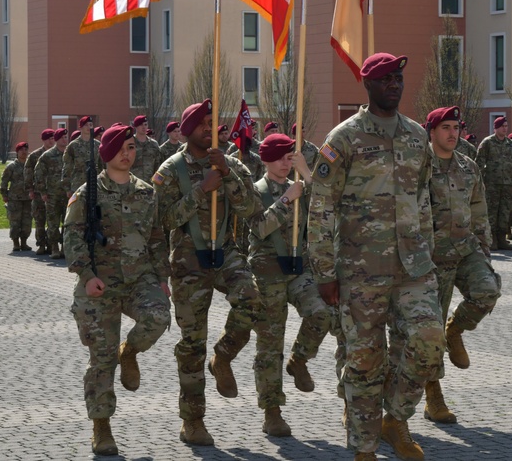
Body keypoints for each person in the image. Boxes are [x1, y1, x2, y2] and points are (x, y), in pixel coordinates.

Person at [307, 52, 443, 461]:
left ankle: (395, 418)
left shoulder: (418, 135)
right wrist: (324, 272)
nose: (394, 85)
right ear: (367, 85)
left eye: (398, 78)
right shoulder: (343, 139)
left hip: (413, 267)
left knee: (428, 339)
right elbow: (320, 209)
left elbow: (423, 198)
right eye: (385, 79)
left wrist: (427, 251)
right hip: (360, 271)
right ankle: (364, 448)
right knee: (365, 362)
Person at [153, 99, 261, 447]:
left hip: (225, 252)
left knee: (251, 298)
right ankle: (193, 420)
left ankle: (224, 356)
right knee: (191, 344)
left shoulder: (228, 163)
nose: (209, 128)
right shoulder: (170, 170)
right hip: (188, 261)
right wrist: (202, 190)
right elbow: (163, 220)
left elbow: (251, 209)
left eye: (212, 122)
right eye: (203, 122)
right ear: (188, 130)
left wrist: (227, 177)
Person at [65, 123, 172, 457]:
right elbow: (71, 236)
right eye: (123, 148)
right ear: (108, 154)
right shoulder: (87, 194)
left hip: (139, 278)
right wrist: (86, 275)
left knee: (158, 317)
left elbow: (156, 237)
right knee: (101, 358)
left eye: (132, 147)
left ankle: (132, 351)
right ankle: (102, 427)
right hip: (101, 284)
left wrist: (163, 277)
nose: (129, 153)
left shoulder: (146, 192)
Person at [246, 133, 333, 437]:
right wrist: (285, 200)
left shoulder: (301, 186)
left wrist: (307, 172)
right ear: (266, 160)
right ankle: (272, 411)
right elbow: (258, 228)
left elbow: (326, 202)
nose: (285, 163)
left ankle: (299, 360)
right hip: (268, 271)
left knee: (322, 313)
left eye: (289, 157)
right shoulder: (256, 191)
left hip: (299, 269)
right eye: (281, 158)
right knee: (270, 344)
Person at [423, 106, 501, 425]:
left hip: (466, 248)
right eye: (446, 128)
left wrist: (484, 247)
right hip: (432, 257)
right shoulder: (419, 168)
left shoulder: (468, 166)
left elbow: (479, 208)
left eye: (456, 127)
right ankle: (433, 395)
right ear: (432, 132)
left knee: (488, 291)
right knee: (429, 330)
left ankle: (454, 331)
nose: (453, 133)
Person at [476, 116, 512, 251]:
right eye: (502, 126)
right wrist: (481, 182)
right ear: (496, 128)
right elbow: (479, 164)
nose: (505, 129)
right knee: (492, 212)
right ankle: (492, 239)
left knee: (505, 212)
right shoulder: (487, 142)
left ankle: (502, 238)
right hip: (492, 184)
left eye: (506, 126)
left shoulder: (511, 144)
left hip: (507, 184)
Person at [35, 128, 69, 258]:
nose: (65, 140)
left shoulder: (70, 154)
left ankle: (65, 247)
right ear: (57, 139)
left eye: (66, 137)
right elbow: (39, 173)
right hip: (52, 195)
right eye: (62, 137)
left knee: (67, 222)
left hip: (68, 195)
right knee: (53, 223)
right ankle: (54, 247)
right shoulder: (47, 156)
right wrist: (42, 191)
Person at [0, 142, 33, 253]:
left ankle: (24, 242)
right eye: (21, 150)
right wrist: (4, 195)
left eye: (25, 149)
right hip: (14, 199)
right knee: (15, 222)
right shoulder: (11, 166)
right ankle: (16, 243)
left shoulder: (31, 165)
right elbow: (4, 181)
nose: (24, 152)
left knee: (27, 222)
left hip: (28, 199)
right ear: (17, 152)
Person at [26, 129, 55, 255]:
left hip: (53, 192)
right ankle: (41, 244)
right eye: (48, 138)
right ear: (43, 140)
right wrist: (30, 189)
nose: (51, 141)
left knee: (52, 220)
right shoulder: (35, 155)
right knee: (40, 220)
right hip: (38, 193)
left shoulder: (58, 153)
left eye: (53, 138)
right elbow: (28, 173)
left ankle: (51, 244)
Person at [63, 116, 101, 198]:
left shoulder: (98, 145)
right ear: (80, 127)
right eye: (86, 125)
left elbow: (102, 165)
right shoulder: (73, 146)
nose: (89, 127)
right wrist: (67, 188)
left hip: (95, 184)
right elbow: (67, 167)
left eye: (91, 125)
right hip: (77, 185)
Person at [130, 116, 162, 182]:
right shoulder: (130, 143)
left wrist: (157, 184)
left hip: (150, 184)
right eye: (141, 125)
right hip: (133, 184)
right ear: (136, 126)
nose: (144, 127)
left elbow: (158, 166)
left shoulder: (154, 144)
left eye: (145, 124)